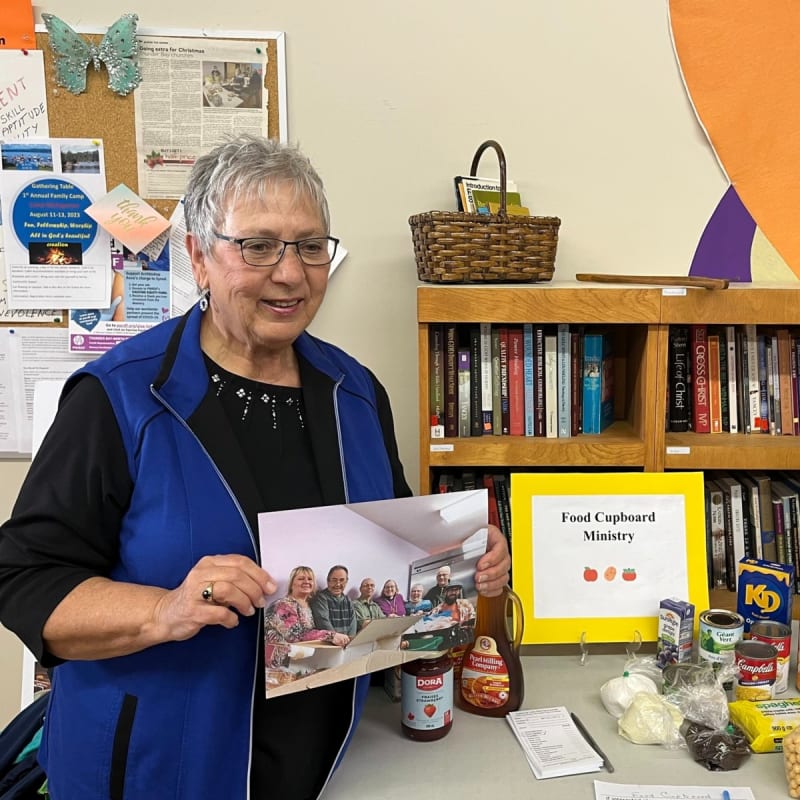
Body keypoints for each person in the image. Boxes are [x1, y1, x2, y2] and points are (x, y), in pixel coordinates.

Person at [0, 134, 511, 800]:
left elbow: (397, 549)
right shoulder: (119, 398)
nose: (290, 272)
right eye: (258, 245)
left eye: (308, 246)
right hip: (156, 769)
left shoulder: (355, 393)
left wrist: (464, 559)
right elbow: (24, 579)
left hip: (322, 766)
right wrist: (165, 610)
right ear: (199, 256)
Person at [265, 565, 349, 645]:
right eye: (301, 579)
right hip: (280, 657)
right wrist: (331, 636)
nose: (306, 582)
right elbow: (295, 635)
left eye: (310, 579)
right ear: (291, 584)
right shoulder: (282, 605)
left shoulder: (309, 605)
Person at [310, 565, 357, 637]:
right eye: (334, 580)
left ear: (346, 581)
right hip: (329, 644)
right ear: (328, 581)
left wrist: (350, 640)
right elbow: (323, 624)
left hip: (347, 644)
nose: (338, 584)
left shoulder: (348, 600)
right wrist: (338, 638)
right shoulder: (321, 598)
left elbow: (353, 624)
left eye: (342, 580)